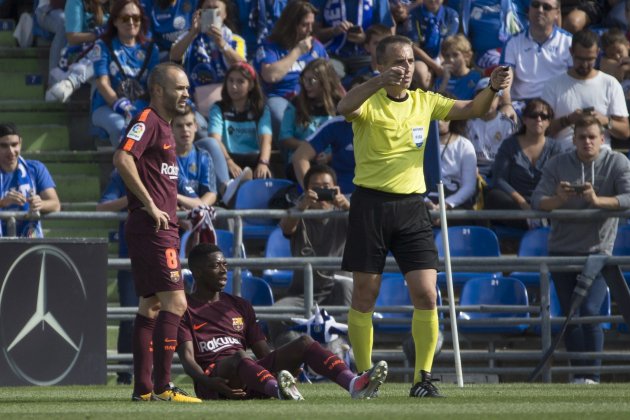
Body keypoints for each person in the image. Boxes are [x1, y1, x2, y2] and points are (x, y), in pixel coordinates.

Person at [336, 34, 510, 398]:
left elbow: (473, 110)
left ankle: (423, 379)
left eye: (410, 61)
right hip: (370, 205)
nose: (404, 68)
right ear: (380, 65)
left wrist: (492, 88)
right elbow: (343, 107)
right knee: (365, 294)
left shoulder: (424, 102)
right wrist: (376, 83)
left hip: (413, 207)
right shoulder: (368, 100)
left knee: (427, 294)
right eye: (396, 62)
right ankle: (364, 378)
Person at [178, 242, 388, 400]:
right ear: (197, 272)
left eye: (225, 264)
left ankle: (353, 384)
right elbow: (188, 360)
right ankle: (280, 390)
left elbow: (263, 352)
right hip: (215, 383)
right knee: (239, 355)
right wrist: (209, 383)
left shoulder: (240, 305)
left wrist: (282, 367)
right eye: (216, 266)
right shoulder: (183, 309)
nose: (224, 270)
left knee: (304, 342)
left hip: (252, 376)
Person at [112, 61, 201, 403]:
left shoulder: (164, 126)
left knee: (150, 306)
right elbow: (122, 158)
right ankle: (164, 386)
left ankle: (143, 389)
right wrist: (149, 203)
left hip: (158, 228)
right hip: (152, 228)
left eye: (188, 88)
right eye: (179, 88)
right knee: (176, 302)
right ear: (159, 90)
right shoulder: (148, 119)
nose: (186, 94)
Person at [531, 115, 630, 384]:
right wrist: (559, 199)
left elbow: (629, 196)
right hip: (561, 250)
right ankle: (579, 376)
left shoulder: (617, 162)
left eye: (592, 137)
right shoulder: (557, 163)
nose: (587, 142)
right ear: (573, 140)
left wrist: (598, 200)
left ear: (602, 139)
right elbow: (538, 200)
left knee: (590, 311)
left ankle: (592, 377)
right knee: (569, 315)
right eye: (581, 137)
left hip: (598, 253)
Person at [268, 165, 352, 346]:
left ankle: (347, 354)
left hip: (338, 291)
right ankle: (291, 355)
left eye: (326, 187)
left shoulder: (346, 214)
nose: (322, 192)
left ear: (336, 189)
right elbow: (286, 226)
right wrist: (301, 205)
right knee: (275, 314)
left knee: (351, 299)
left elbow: (367, 229)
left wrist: (346, 206)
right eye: (316, 187)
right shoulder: (299, 214)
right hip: (303, 293)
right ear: (307, 190)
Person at [542, 29, 630, 151]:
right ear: (571, 52)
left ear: (598, 53)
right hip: (565, 154)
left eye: (590, 59)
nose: (584, 64)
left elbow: (625, 131)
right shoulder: (553, 85)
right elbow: (542, 130)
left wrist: (604, 121)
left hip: (601, 155)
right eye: (580, 59)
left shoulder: (610, 84)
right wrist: (569, 120)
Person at [253, 1, 328, 142]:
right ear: (290, 24)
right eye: (304, 25)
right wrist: (297, 51)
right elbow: (271, 75)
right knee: (276, 110)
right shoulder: (270, 46)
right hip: (281, 99)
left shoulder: (316, 47)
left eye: (312, 24)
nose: (309, 30)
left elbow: (330, 78)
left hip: (311, 99)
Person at [485, 98, 563, 230]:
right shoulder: (509, 144)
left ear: (549, 122)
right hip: (515, 201)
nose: (538, 119)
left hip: (545, 201)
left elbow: (557, 179)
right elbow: (499, 179)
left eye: (544, 116)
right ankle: (534, 222)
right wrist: (522, 203)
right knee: (493, 196)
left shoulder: (556, 147)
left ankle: (536, 221)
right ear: (525, 119)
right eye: (533, 115)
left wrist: (543, 202)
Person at [91, 0, 160, 147]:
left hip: (141, 105)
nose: (131, 22)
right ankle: (124, 167)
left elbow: (154, 84)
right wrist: (121, 105)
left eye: (136, 18)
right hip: (107, 106)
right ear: (115, 21)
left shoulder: (151, 49)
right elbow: (102, 83)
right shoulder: (102, 46)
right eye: (125, 18)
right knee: (120, 126)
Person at [169, 0, 246, 117]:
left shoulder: (234, 40)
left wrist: (222, 44)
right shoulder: (189, 37)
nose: (211, 11)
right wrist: (192, 33)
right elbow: (174, 56)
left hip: (227, 105)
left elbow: (243, 68)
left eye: (216, 8)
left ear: (225, 14)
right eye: (207, 8)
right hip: (194, 106)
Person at [95, 169, 135, 385]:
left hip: (162, 256)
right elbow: (101, 207)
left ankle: (159, 374)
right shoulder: (121, 174)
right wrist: (134, 197)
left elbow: (195, 202)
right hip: (130, 259)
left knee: (163, 317)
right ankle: (124, 376)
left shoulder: (165, 167)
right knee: (130, 318)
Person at [501, 0, 573, 118]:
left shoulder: (569, 42)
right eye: (535, 5)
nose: (540, 10)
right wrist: (506, 104)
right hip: (522, 105)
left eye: (546, 7)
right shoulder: (513, 42)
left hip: (556, 104)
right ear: (529, 9)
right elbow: (504, 80)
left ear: (557, 13)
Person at [202, 62, 272, 180]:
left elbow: (266, 139)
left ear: (250, 85)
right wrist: (229, 162)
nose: (234, 86)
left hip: (254, 159)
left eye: (240, 82)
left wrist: (263, 163)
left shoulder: (261, 110)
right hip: (227, 158)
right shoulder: (218, 108)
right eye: (231, 80)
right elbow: (215, 140)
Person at [279, 59, 343, 178]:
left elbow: (347, 140)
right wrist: (310, 149)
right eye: (304, 80)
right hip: (302, 160)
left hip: (331, 160)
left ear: (325, 81)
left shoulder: (340, 105)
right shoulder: (296, 103)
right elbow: (285, 137)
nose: (306, 85)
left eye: (311, 80)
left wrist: (329, 156)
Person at [0, 123, 60, 238]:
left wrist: (40, 204)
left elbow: (55, 204)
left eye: (14, 145)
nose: (11, 151)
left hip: (29, 243)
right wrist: (3, 202)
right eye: (4, 146)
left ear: (20, 143)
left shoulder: (36, 168)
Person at [311, 0, 394, 80]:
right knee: (324, 75)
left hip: (366, 57)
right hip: (332, 55)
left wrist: (365, 39)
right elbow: (313, 33)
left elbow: (386, 35)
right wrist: (334, 31)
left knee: (370, 78)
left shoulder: (378, 1)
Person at [45, 0, 110, 103]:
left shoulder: (118, 4)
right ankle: (62, 83)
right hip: (80, 53)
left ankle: (71, 82)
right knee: (100, 73)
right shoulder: (76, 2)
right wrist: (98, 36)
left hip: (111, 56)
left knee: (104, 68)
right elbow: (72, 38)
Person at [465, 77, 517, 179]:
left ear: (500, 100)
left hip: (499, 168)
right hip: (473, 168)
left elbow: (512, 155)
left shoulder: (507, 124)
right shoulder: (468, 122)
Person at [292, 116, 355, 195]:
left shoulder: (375, 125)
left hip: (373, 197)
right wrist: (311, 193)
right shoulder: (336, 124)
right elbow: (300, 157)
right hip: (340, 198)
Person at [424, 118, 477, 212]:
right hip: (427, 199)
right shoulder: (421, 145)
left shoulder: (465, 145)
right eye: (435, 118)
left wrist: (446, 204)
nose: (439, 122)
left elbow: (469, 186)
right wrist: (427, 202)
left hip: (453, 200)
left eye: (444, 118)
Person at [172, 105, 218, 210]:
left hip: (199, 212)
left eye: (189, 124)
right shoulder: (164, 159)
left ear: (196, 127)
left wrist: (196, 210)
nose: (185, 129)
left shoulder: (203, 157)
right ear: (170, 129)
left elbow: (211, 193)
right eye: (179, 126)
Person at [435, 34, 482, 100]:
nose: (451, 59)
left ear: (466, 56)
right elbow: (435, 104)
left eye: (455, 55)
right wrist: (445, 80)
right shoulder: (441, 80)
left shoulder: (476, 77)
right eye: (447, 56)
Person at [597, 28, 630, 103]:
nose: (617, 56)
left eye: (620, 51)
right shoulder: (605, 63)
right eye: (612, 55)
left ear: (628, 45)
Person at [35, 0, 66, 77]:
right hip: (47, 9)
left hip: (73, 9)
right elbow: (56, 2)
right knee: (64, 24)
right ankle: (54, 80)